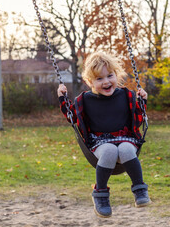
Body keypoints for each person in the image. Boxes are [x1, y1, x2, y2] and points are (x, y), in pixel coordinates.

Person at [57, 52, 151, 218]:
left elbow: (137, 119)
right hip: (99, 143)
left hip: (125, 138)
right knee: (109, 150)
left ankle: (140, 190)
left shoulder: (126, 95)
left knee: (126, 150)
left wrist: (142, 102)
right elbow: (73, 117)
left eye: (110, 76)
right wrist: (62, 99)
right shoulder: (84, 100)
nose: (106, 81)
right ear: (90, 82)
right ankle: (100, 195)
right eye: (99, 79)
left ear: (116, 74)